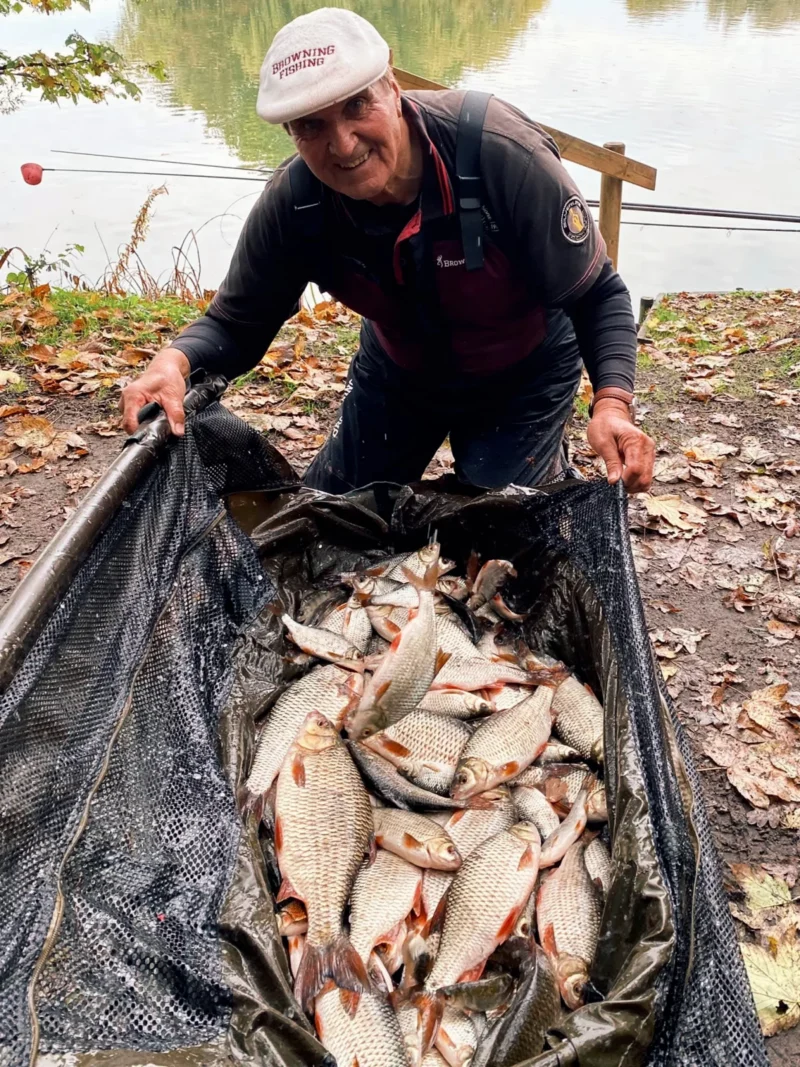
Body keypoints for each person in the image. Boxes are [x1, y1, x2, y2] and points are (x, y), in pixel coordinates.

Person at [121, 7, 654, 494]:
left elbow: (598, 292)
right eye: (311, 125)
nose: (344, 143)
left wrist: (611, 403)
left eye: (357, 105)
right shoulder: (295, 204)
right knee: (334, 513)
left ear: (392, 85)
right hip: (400, 372)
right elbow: (236, 324)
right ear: (290, 132)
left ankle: (535, 464)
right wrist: (173, 361)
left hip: (523, 372)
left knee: (500, 524)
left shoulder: (501, 154)